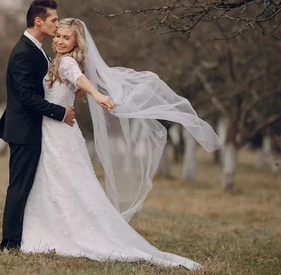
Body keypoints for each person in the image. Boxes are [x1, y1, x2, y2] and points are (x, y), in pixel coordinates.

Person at [20, 18, 222, 269]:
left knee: (65, 180)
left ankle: (63, 231)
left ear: (76, 42)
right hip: (56, 129)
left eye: (66, 37)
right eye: (58, 36)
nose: (60, 41)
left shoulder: (68, 62)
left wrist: (96, 93)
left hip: (59, 132)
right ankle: (54, 225)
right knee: (60, 180)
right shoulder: (56, 61)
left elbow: (79, 78)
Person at [0, 0, 76, 252]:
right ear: (38, 21)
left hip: (33, 129)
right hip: (24, 130)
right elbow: (26, 97)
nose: (56, 24)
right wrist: (60, 112)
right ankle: (10, 243)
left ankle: (25, 237)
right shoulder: (22, 52)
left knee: (28, 185)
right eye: (53, 20)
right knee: (19, 186)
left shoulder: (37, 49)